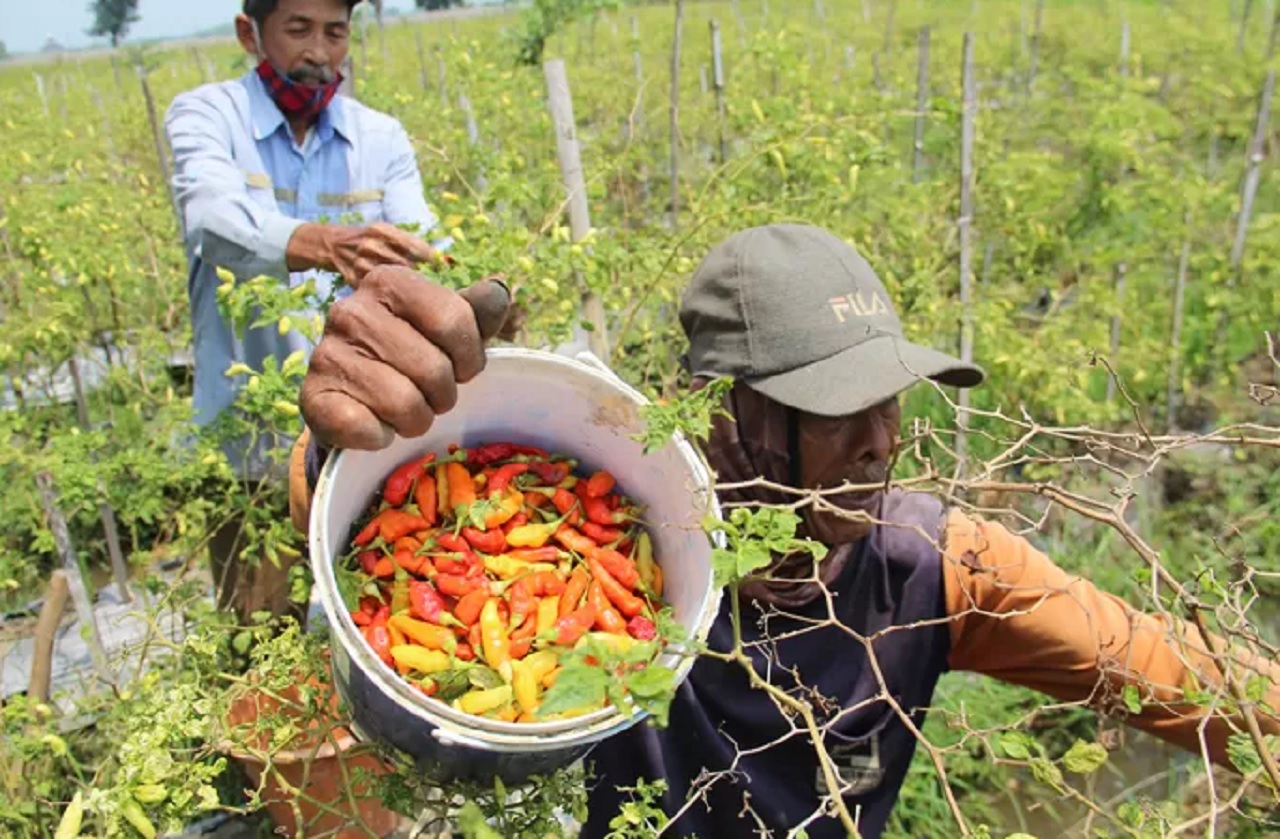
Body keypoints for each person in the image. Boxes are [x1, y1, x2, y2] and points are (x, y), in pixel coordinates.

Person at [288, 225, 1280, 838]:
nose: (880, 441)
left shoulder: (927, 564)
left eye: (891, 399)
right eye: (834, 406)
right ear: (715, 417)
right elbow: (362, 546)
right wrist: (340, 438)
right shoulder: (643, 540)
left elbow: (1179, 672)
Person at [166, 0, 445, 621]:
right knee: (264, 635)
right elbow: (214, 224)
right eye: (298, 29)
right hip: (253, 450)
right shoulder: (210, 115)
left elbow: (429, 240)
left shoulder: (380, 138)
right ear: (250, 33)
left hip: (360, 445)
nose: (319, 50)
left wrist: (455, 272)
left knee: (372, 623)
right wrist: (328, 244)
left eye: (335, 31)